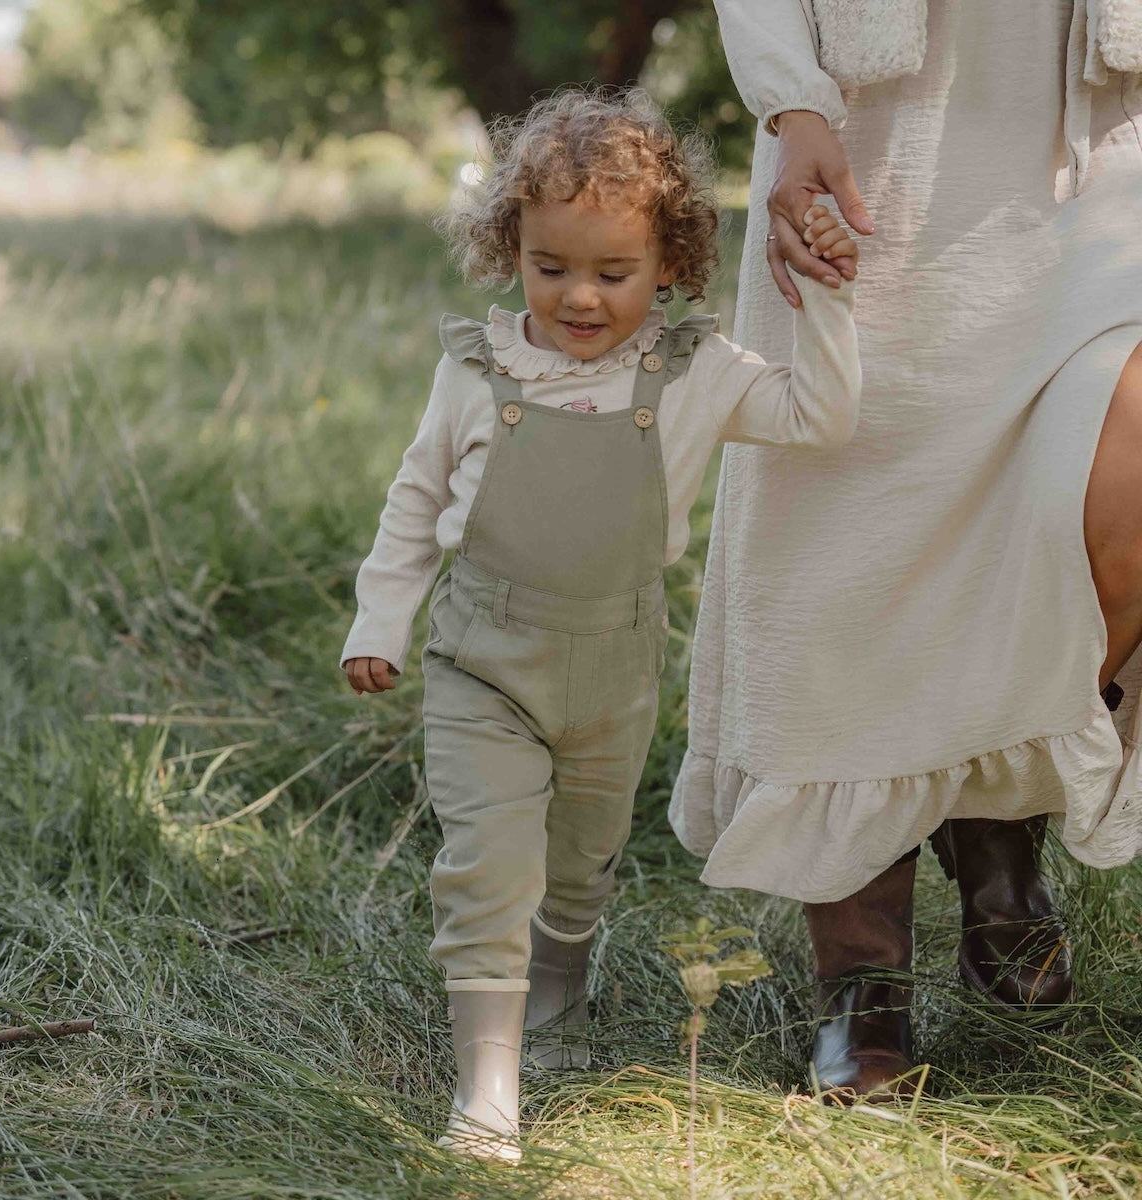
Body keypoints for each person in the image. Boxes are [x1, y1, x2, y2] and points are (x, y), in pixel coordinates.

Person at [341, 87, 864, 1161]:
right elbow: (413, 499)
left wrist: (832, 301)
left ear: (668, 263)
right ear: (510, 249)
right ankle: (487, 1089)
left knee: (580, 865)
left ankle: (560, 992)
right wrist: (377, 621)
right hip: (482, 660)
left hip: (615, 666)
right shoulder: (477, 370)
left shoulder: (694, 373)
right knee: (487, 862)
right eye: (550, 267)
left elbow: (822, 417)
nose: (578, 298)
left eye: (612, 274)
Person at [671, 0, 1142, 1102]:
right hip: (879, 151)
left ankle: (991, 816)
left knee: (1110, 494)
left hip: (1099, 155)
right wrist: (793, 106)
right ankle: (863, 980)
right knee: (850, 555)